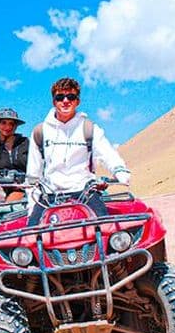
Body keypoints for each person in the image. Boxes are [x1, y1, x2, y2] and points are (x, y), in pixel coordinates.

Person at [26, 77, 130, 225]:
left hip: (84, 191)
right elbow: (33, 173)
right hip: (50, 194)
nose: (65, 101)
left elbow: (108, 153)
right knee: (31, 232)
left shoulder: (89, 128)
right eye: (60, 97)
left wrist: (119, 170)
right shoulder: (40, 131)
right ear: (54, 102)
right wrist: (32, 206)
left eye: (71, 97)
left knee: (106, 228)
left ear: (77, 101)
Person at [0, 107, 29, 205]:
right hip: (12, 196)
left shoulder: (26, 143)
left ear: (15, 126)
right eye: (3, 123)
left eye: (11, 123)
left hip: (34, 191)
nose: (8, 127)